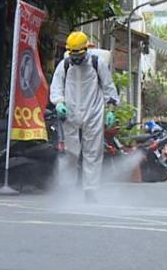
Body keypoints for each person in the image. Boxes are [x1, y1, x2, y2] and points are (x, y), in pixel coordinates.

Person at [50, 31, 119, 203]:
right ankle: (67, 189)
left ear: (85, 50)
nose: (76, 58)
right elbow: (56, 86)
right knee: (70, 153)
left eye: (78, 54)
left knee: (92, 152)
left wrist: (110, 109)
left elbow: (109, 88)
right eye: (73, 54)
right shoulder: (64, 65)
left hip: (93, 112)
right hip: (70, 113)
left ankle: (91, 190)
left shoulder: (97, 64)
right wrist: (59, 103)